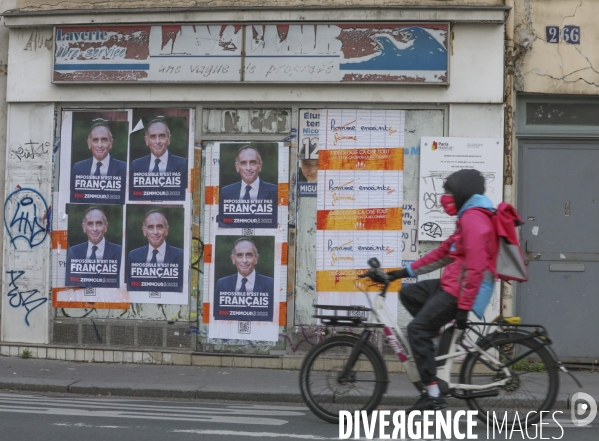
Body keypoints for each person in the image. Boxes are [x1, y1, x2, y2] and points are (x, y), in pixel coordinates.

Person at [387, 169, 497, 412]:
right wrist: (404, 273)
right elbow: (444, 253)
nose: (445, 197)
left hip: (463, 289)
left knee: (416, 329)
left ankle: (434, 394)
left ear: (462, 191)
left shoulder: (474, 220)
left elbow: (476, 268)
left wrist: (464, 308)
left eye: (449, 191)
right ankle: (434, 339)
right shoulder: (467, 216)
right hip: (453, 282)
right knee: (409, 293)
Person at [218, 146, 278, 228]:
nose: (248, 168)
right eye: (243, 163)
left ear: (260, 166)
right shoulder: (226, 192)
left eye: (253, 163)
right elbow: (222, 224)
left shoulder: (275, 192)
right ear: (237, 167)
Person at [129, 120, 188, 200]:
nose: (157, 141)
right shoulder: (135, 165)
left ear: (169, 139)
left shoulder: (183, 164)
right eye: (153, 136)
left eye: (162, 136)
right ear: (146, 140)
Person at [65, 207, 122, 287]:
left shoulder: (119, 252)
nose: (94, 229)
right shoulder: (74, 252)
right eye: (90, 224)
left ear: (106, 226)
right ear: (84, 228)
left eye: (99, 223)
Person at [70, 123, 127, 202]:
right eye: (95, 140)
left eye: (104, 140)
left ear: (111, 143)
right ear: (89, 144)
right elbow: (74, 200)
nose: (100, 145)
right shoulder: (78, 168)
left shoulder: (124, 168)